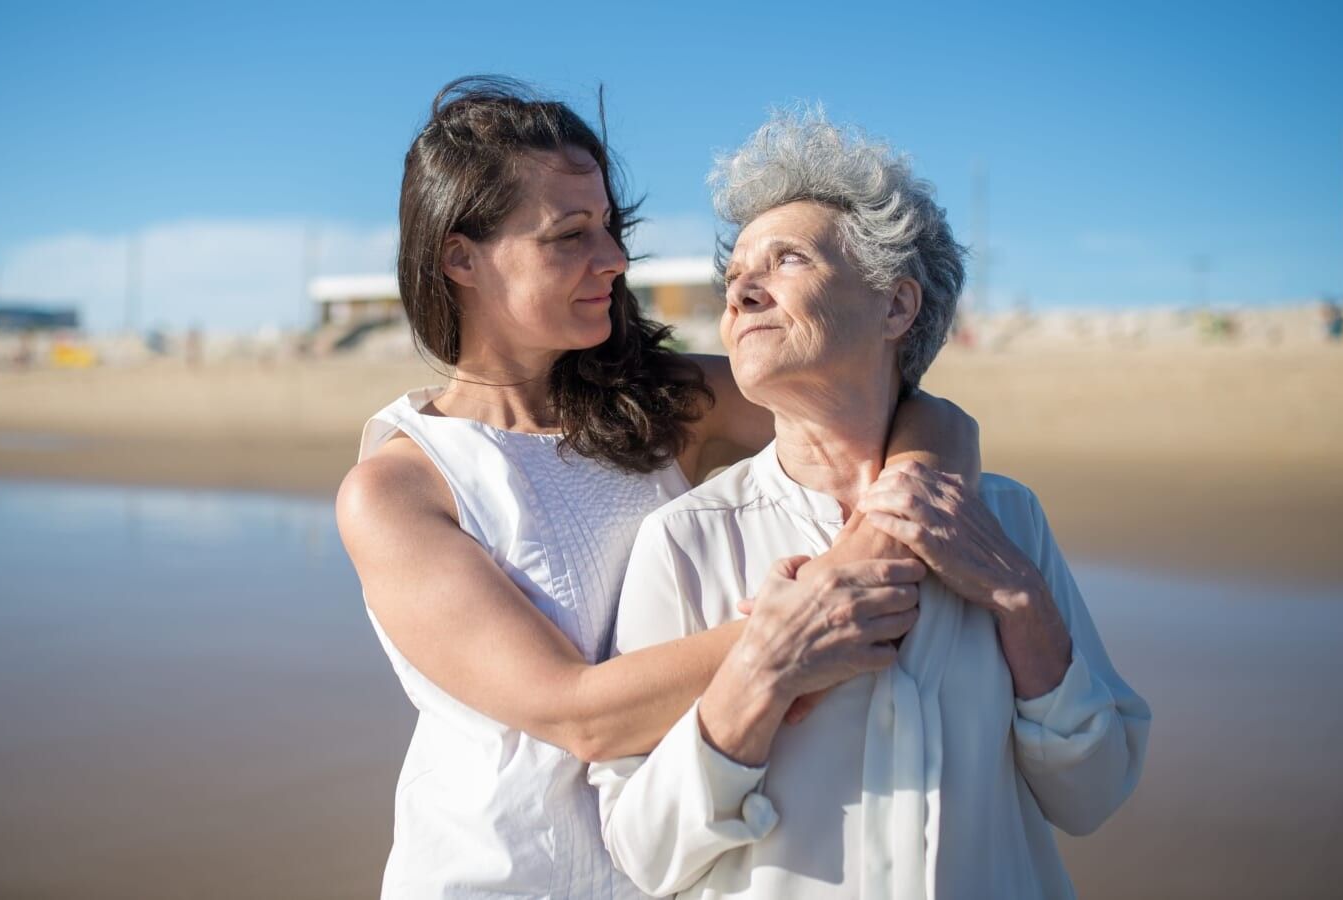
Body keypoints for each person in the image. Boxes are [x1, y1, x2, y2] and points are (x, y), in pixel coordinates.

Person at [335, 78, 980, 898]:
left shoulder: (662, 404)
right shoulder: (399, 487)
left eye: (609, 225)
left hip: (678, 866)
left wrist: (888, 525)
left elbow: (908, 409)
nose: (612, 259)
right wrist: (800, 627)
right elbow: (579, 715)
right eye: (568, 235)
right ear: (461, 257)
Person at [590, 109, 1151, 899]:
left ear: (896, 306)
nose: (742, 291)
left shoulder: (1006, 521)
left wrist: (1022, 604)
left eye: (786, 260)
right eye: (734, 276)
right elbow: (643, 854)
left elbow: (1094, 793)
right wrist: (762, 671)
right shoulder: (684, 540)